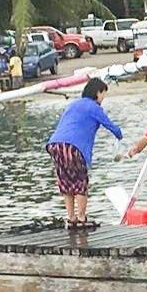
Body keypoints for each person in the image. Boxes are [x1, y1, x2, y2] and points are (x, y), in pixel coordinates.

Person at [46, 78, 122, 228]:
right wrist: (119, 135)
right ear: (97, 92)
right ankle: (81, 218)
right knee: (80, 181)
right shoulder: (94, 107)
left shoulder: (73, 104)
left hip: (55, 144)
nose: (103, 98)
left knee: (66, 181)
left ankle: (71, 217)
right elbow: (110, 125)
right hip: (74, 147)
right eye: (103, 94)